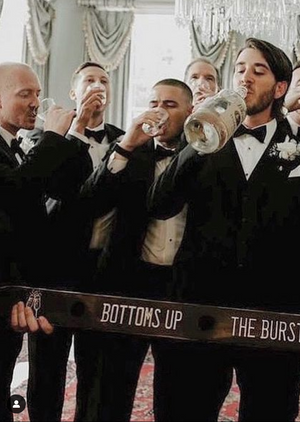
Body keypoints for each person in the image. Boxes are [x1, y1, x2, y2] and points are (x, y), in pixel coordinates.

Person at [147, 38, 300, 421]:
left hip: (274, 317)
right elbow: (161, 204)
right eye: (240, 69)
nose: (245, 78)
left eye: (258, 71)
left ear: (280, 88)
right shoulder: (200, 145)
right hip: (200, 309)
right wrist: (197, 140)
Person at [79, 79, 193, 421]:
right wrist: (127, 145)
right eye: (154, 101)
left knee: (177, 391)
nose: (159, 110)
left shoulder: (205, 153)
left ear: (190, 112)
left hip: (182, 286)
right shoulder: (129, 148)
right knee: (113, 385)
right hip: (129, 281)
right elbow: (90, 202)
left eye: (170, 104)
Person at [27, 61, 125, 422]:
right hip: (56, 269)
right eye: (89, 80)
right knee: (47, 368)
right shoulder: (48, 137)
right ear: (74, 92)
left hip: (104, 272)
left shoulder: (125, 139)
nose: (97, 85)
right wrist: (78, 128)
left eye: (104, 80)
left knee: (96, 369)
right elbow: (57, 194)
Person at [0, 62, 89, 422]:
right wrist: (52, 137)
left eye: (38, 93)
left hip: (14, 295)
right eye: (25, 94)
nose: (36, 102)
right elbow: (17, 193)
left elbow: (61, 191)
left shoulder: (19, 146)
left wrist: (75, 135)